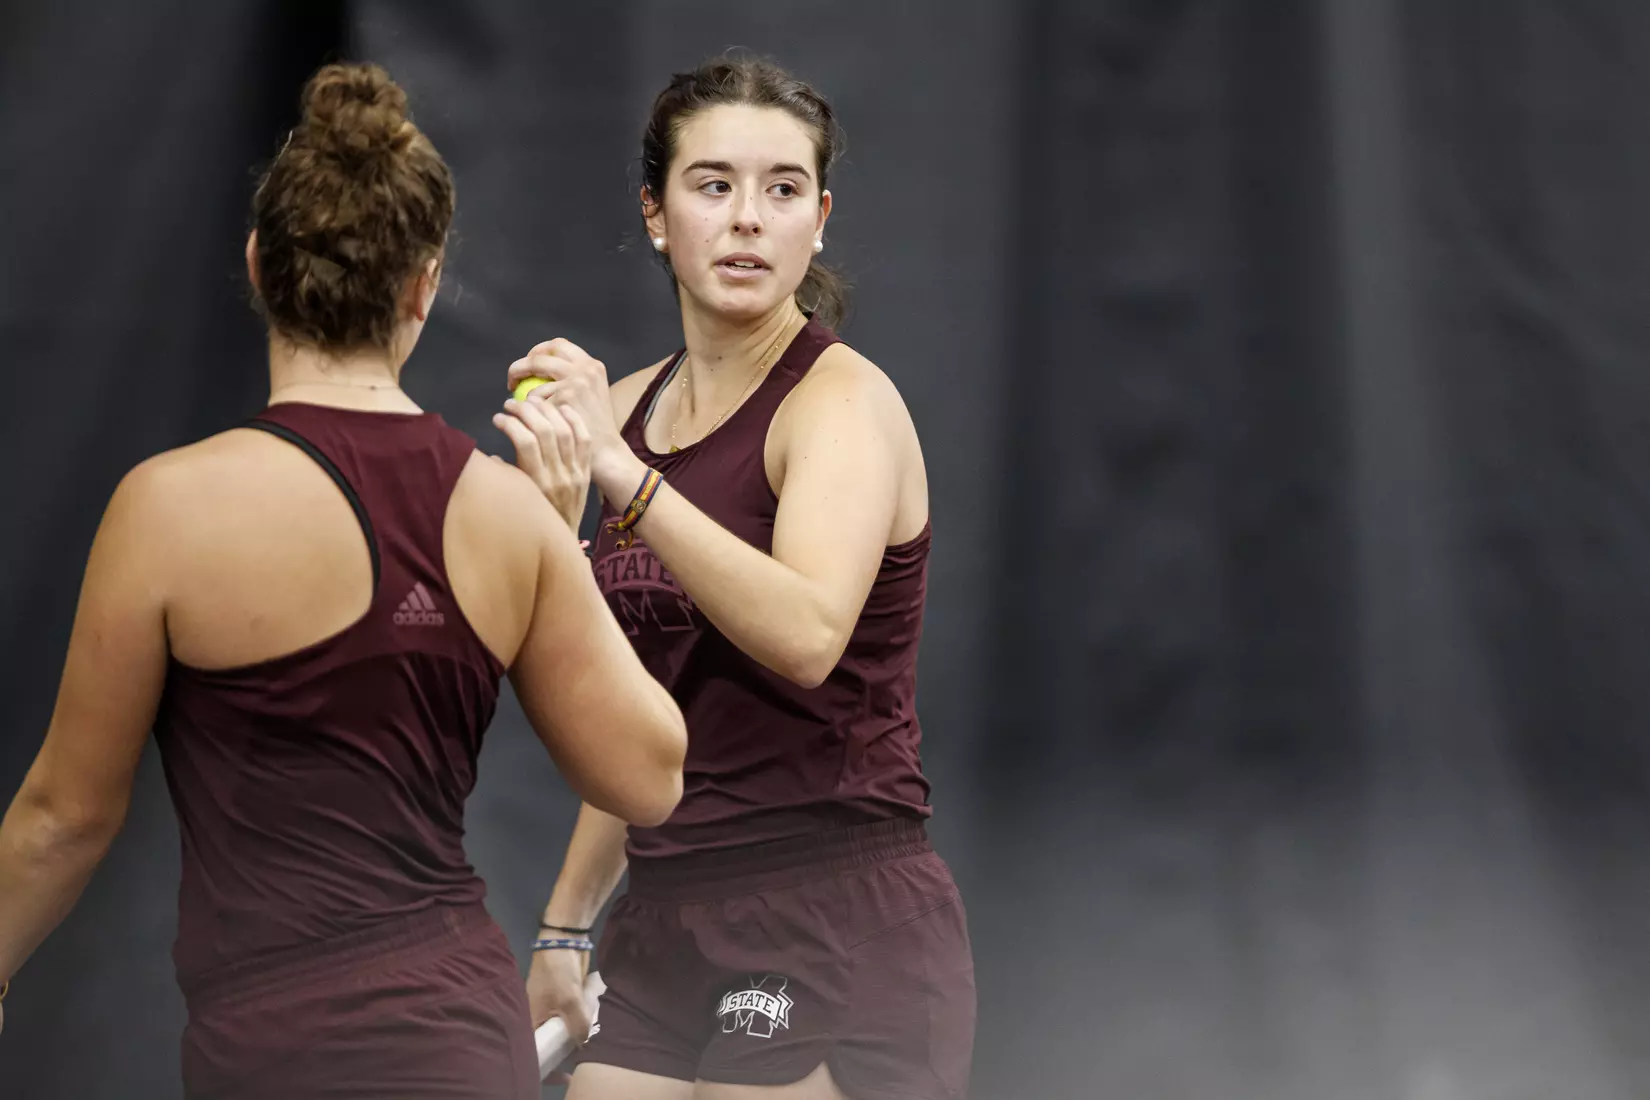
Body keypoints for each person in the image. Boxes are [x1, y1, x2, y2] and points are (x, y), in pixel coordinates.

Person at [0, 62, 686, 1098]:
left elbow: (63, 817)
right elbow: (650, 774)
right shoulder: (504, 513)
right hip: (462, 1041)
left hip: (269, 1052)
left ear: (259, 267)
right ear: (424, 285)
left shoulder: (166, 507)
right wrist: (555, 547)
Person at [497, 55, 976, 1100]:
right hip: (668, 914)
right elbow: (632, 716)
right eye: (714, 185)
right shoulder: (619, 411)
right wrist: (566, 925)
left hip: (833, 907)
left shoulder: (840, 405)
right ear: (658, 215)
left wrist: (623, 481)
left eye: (783, 188)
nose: (749, 218)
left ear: (818, 221)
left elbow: (808, 634)